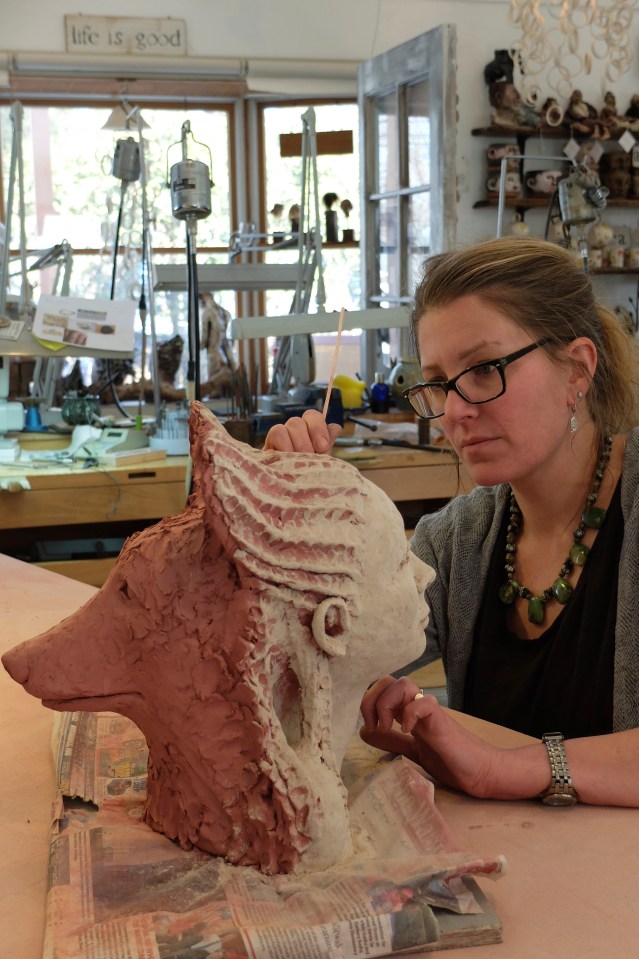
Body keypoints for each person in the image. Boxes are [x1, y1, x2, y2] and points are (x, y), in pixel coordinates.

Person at [264, 235, 639, 808]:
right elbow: (311, 667)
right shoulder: (457, 541)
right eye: (439, 383)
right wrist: (290, 526)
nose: (456, 411)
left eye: (485, 369)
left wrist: (505, 768)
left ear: (577, 370)